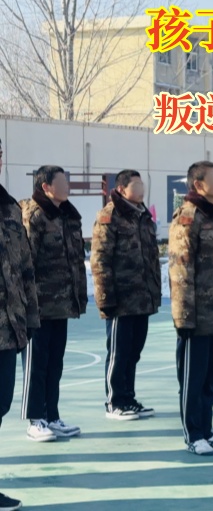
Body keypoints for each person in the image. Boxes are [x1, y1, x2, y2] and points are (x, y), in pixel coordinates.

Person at [169, 161, 213, 455]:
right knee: (193, 379)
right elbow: (180, 270)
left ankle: (208, 430)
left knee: (211, 379)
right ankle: (193, 434)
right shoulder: (188, 217)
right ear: (198, 184)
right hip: (196, 315)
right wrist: (184, 316)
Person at [21, 165, 87, 441]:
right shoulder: (34, 215)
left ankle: (51, 416)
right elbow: (26, 261)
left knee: (55, 363)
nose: (66, 186)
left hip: (61, 303)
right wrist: (27, 303)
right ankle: (35, 418)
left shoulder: (67, 215)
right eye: (61, 182)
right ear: (46, 186)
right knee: (36, 364)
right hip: (38, 305)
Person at [91, 169, 161, 420]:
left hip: (142, 298)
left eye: (142, 184)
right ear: (121, 189)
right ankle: (115, 402)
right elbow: (100, 260)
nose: (141, 189)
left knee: (133, 352)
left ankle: (129, 398)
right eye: (136, 185)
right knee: (118, 353)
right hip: (120, 299)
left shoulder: (142, 215)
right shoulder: (110, 216)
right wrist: (106, 299)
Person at [0, 138, 38, 511]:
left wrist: (30, 319)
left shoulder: (10, 208)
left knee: (0, 406)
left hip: (7, 330)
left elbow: (25, 268)